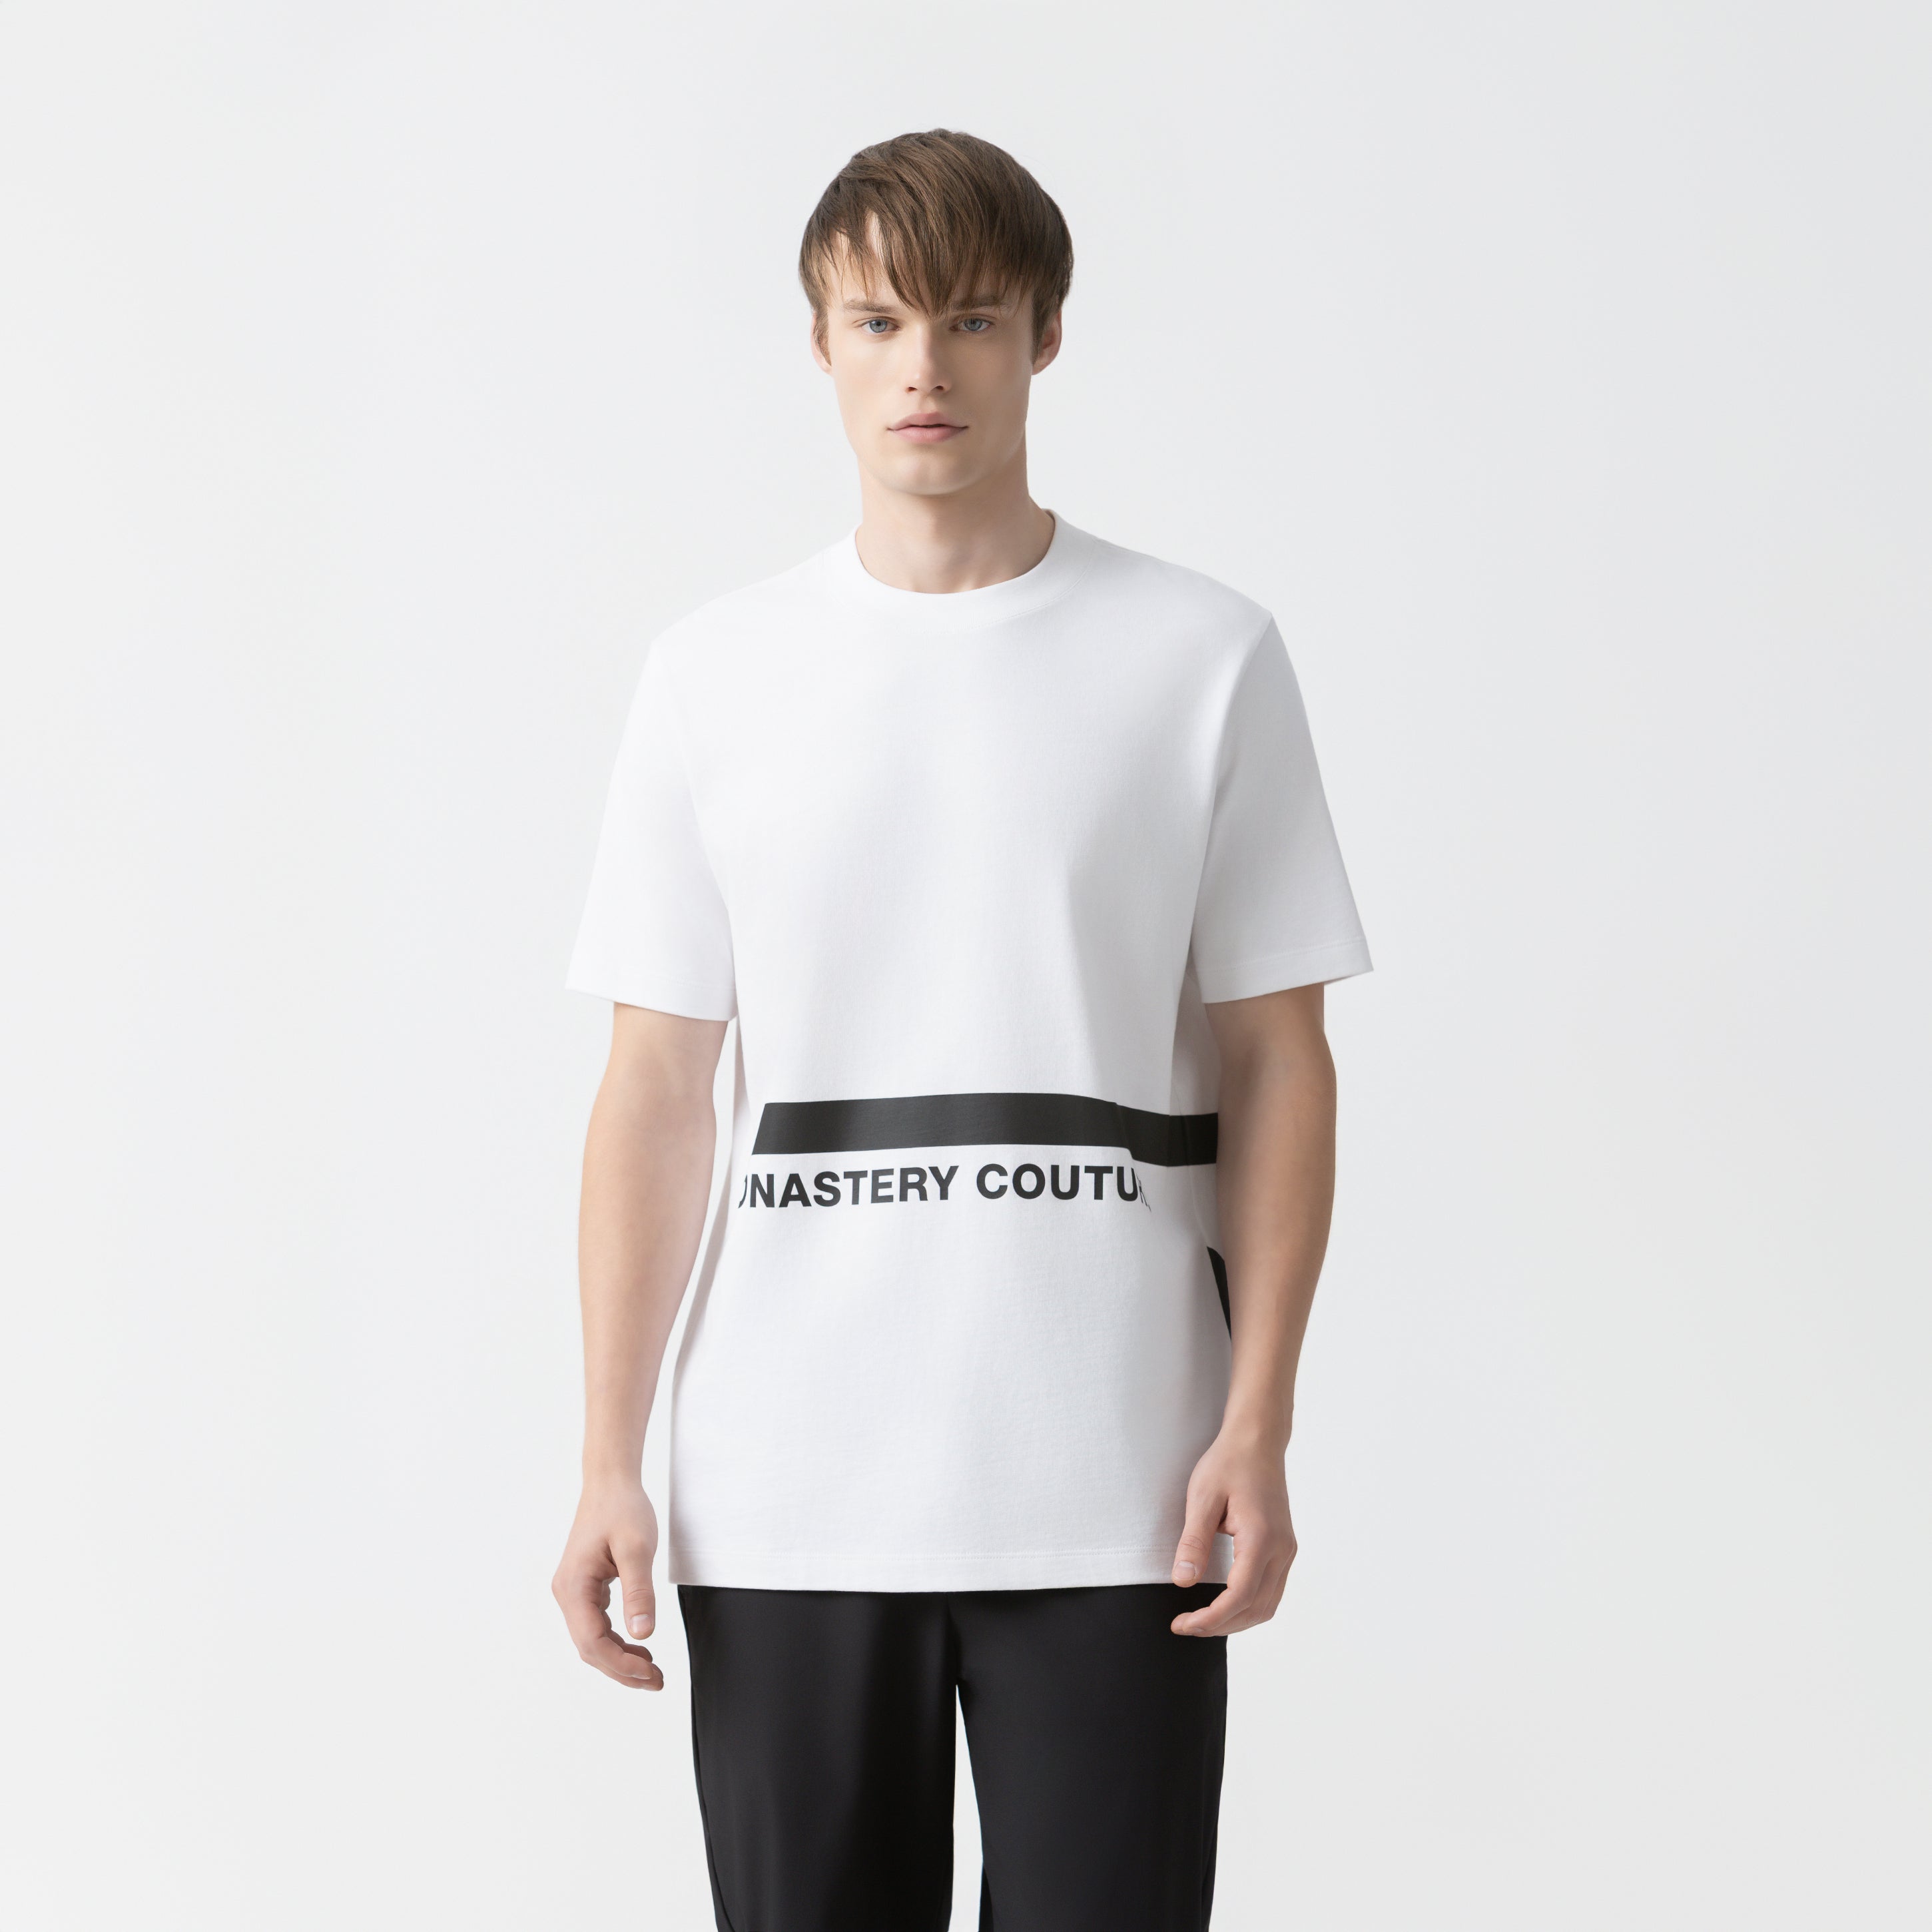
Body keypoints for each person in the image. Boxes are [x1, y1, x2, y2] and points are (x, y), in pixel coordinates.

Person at [551, 128, 1372, 1932]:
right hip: (788, 1487)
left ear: (1046, 339)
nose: (924, 368)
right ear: (821, 344)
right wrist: (611, 1455)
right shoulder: (712, 675)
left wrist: (1259, 1422)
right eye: (879, 323)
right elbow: (656, 1093)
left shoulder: (1202, 655)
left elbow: (1278, 1061)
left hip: (1124, 1486)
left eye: (973, 321)